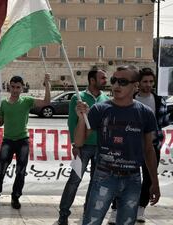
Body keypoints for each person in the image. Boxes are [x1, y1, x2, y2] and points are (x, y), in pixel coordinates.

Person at [75, 65, 160, 225]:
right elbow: (79, 141)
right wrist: (81, 118)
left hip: (133, 179)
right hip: (104, 176)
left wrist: (154, 182)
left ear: (135, 85)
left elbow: (149, 150)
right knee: (91, 222)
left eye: (122, 82)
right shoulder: (100, 109)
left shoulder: (145, 113)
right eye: (114, 80)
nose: (116, 85)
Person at [106, 67, 170, 224]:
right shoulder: (129, 98)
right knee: (121, 178)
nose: (148, 85)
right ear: (137, 83)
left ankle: (141, 208)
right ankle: (115, 210)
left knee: (149, 178)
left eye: (151, 81)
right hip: (129, 147)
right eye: (145, 81)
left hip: (152, 146)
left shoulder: (159, 100)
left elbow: (164, 121)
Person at [0, 74, 51, 209]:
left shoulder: (27, 101)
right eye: (13, 87)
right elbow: (0, 122)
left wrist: (47, 84)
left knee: (20, 171)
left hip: (22, 141)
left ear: (22, 88)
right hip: (7, 141)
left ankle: (15, 197)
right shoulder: (3, 103)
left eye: (18, 87)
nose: (15, 90)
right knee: (1, 170)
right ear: (9, 87)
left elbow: (46, 102)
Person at [57, 68, 109, 225]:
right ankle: (63, 214)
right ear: (92, 80)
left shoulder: (106, 99)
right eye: (102, 78)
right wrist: (74, 144)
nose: (105, 81)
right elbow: (71, 121)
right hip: (83, 147)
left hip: (100, 148)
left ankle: (88, 212)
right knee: (74, 181)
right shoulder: (77, 98)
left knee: (95, 183)